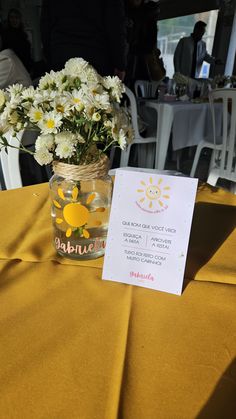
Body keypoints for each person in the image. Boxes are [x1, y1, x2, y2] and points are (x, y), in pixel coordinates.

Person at [40, 0, 127, 80]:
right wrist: (120, 64)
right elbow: (115, 26)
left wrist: (51, 58)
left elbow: (46, 24)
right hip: (96, 57)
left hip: (61, 54)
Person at [2, 8, 33, 74]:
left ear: (20, 19)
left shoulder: (23, 34)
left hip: (24, 66)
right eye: (11, 17)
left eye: (16, 17)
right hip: (13, 67)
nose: (14, 20)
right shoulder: (6, 34)